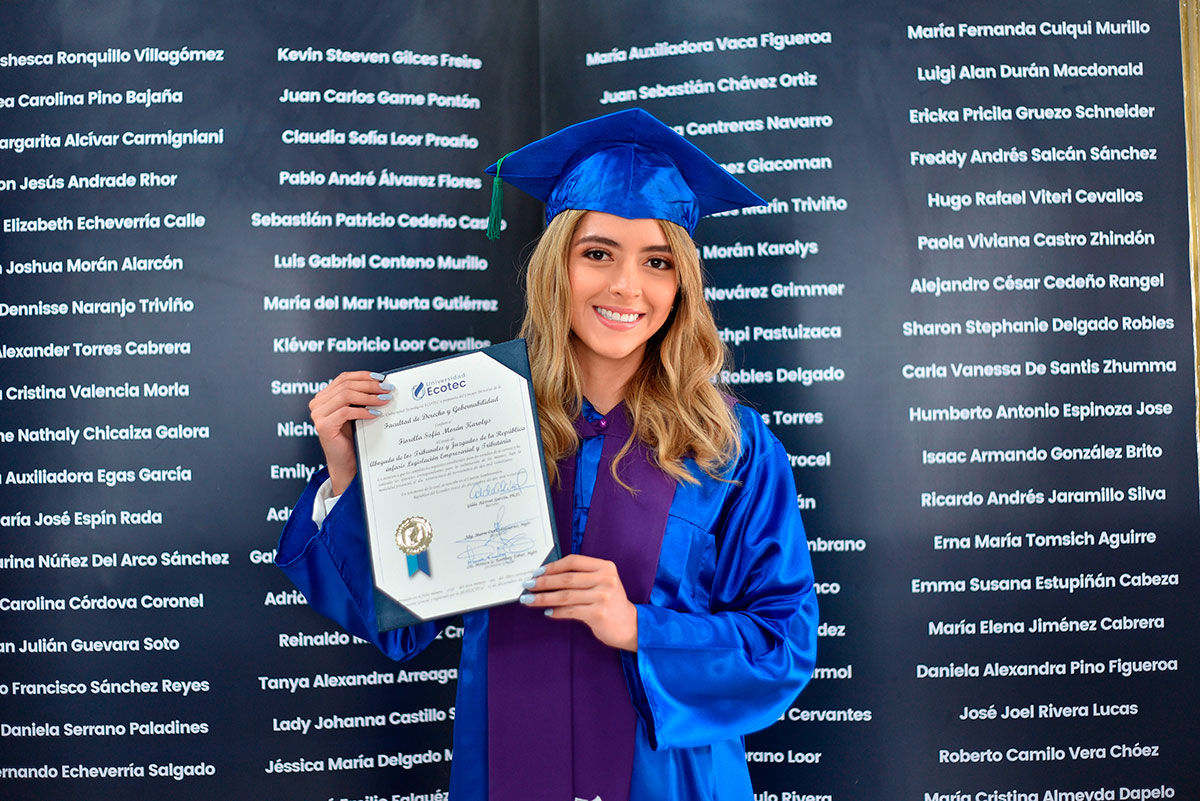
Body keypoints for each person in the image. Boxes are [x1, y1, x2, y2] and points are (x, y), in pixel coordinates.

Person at [277, 108, 819, 801]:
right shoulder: (476, 420)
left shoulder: (731, 445)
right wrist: (351, 475)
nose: (627, 286)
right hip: (507, 766)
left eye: (657, 261)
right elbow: (400, 616)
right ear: (557, 265)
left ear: (680, 284)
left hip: (671, 781)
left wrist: (639, 627)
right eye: (598, 253)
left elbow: (783, 642)